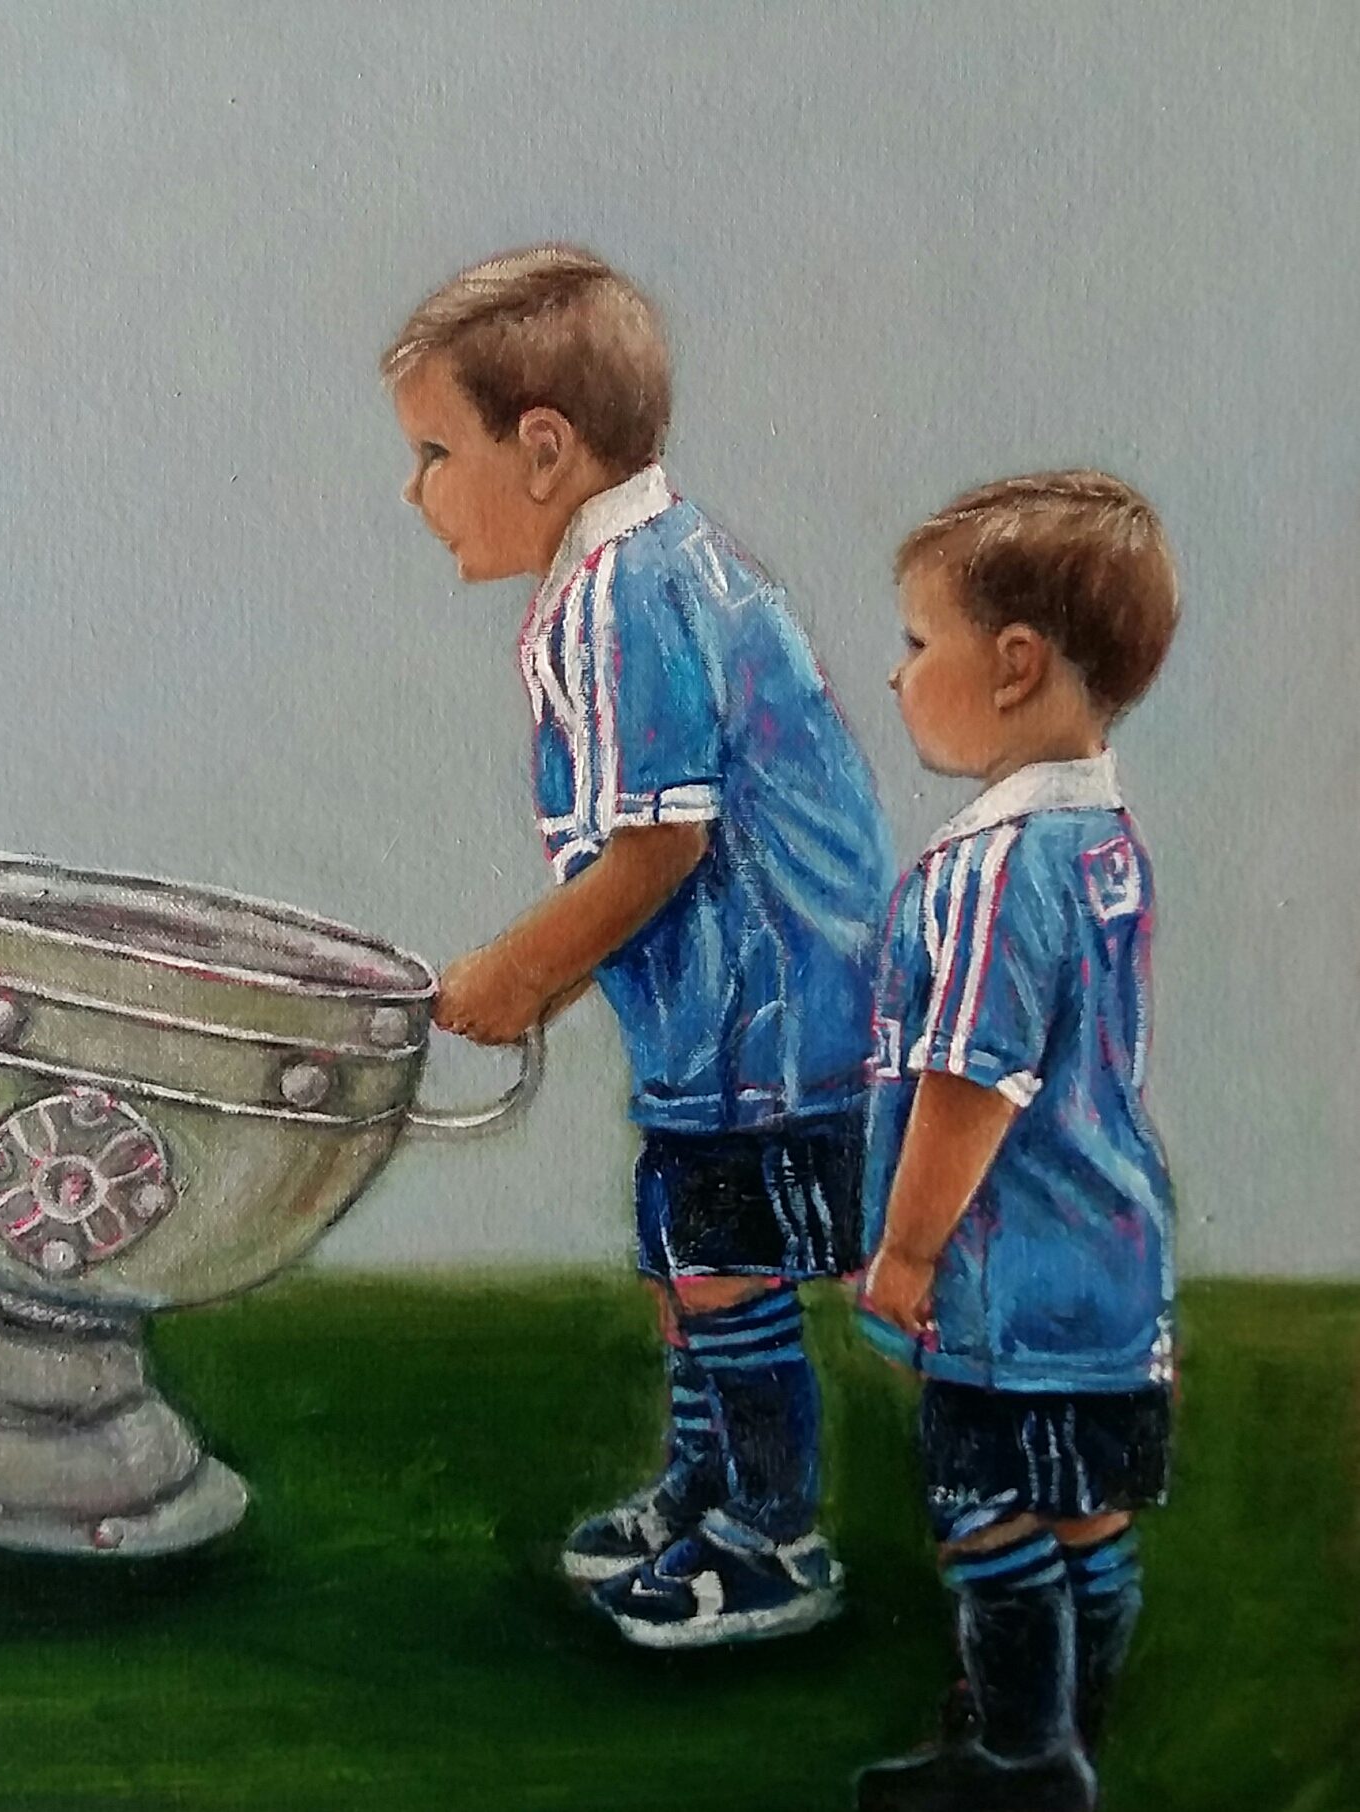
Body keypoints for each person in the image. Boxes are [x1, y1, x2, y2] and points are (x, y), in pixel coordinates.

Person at [382, 245, 891, 1646]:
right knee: (685, 1257)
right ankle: (705, 1488)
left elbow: (661, 847)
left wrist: (521, 972)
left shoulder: (630, 592)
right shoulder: (636, 571)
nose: (417, 492)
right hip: (725, 1017)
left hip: (767, 1021)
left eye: (435, 453)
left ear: (543, 449)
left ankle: (772, 1535)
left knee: (722, 1263)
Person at [854, 472, 1179, 1812]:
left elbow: (971, 1084)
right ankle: (1065, 1728)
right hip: (1113, 1268)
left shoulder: (994, 870)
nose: (897, 674)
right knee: (1088, 1510)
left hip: (1007, 1274)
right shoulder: (1106, 842)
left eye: (919, 641)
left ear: (1015, 664)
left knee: (985, 1512)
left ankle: (1023, 1758)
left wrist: (906, 1250)